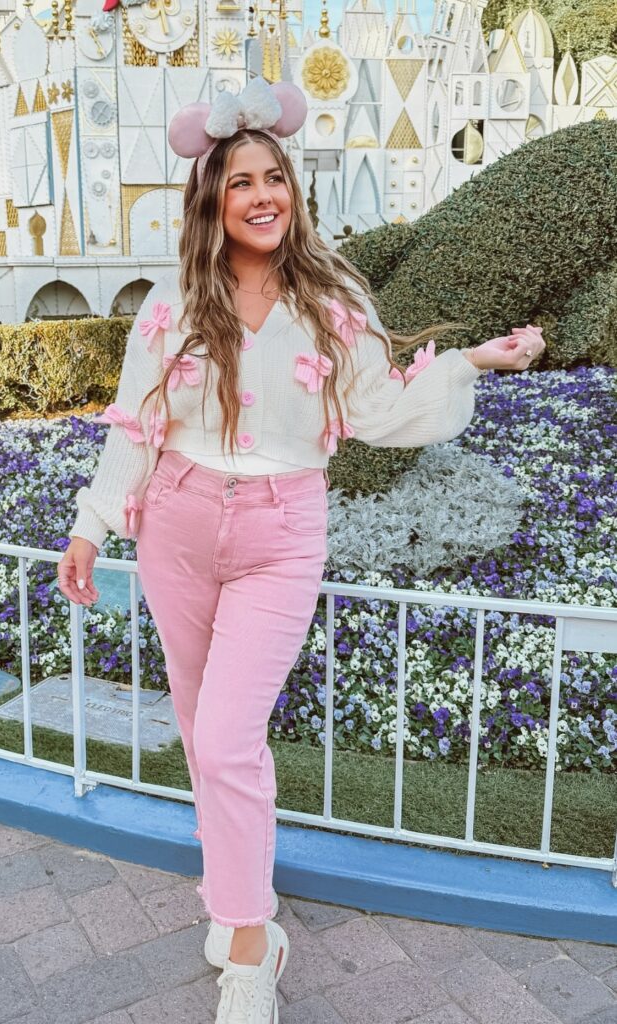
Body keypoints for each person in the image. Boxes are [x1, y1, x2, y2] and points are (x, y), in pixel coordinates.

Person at [57, 76, 545, 1024]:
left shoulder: (331, 296)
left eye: (272, 177)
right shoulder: (173, 298)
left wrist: (468, 362)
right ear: (214, 198)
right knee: (202, 731)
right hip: (178, 521)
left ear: (293, 188)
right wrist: (90, 522)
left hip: (282, 531)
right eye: (240, 181)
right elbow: (136, 425)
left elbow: (374, 408)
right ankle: (235, 896)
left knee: (231, 736)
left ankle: (248, 941)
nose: (261, 195)